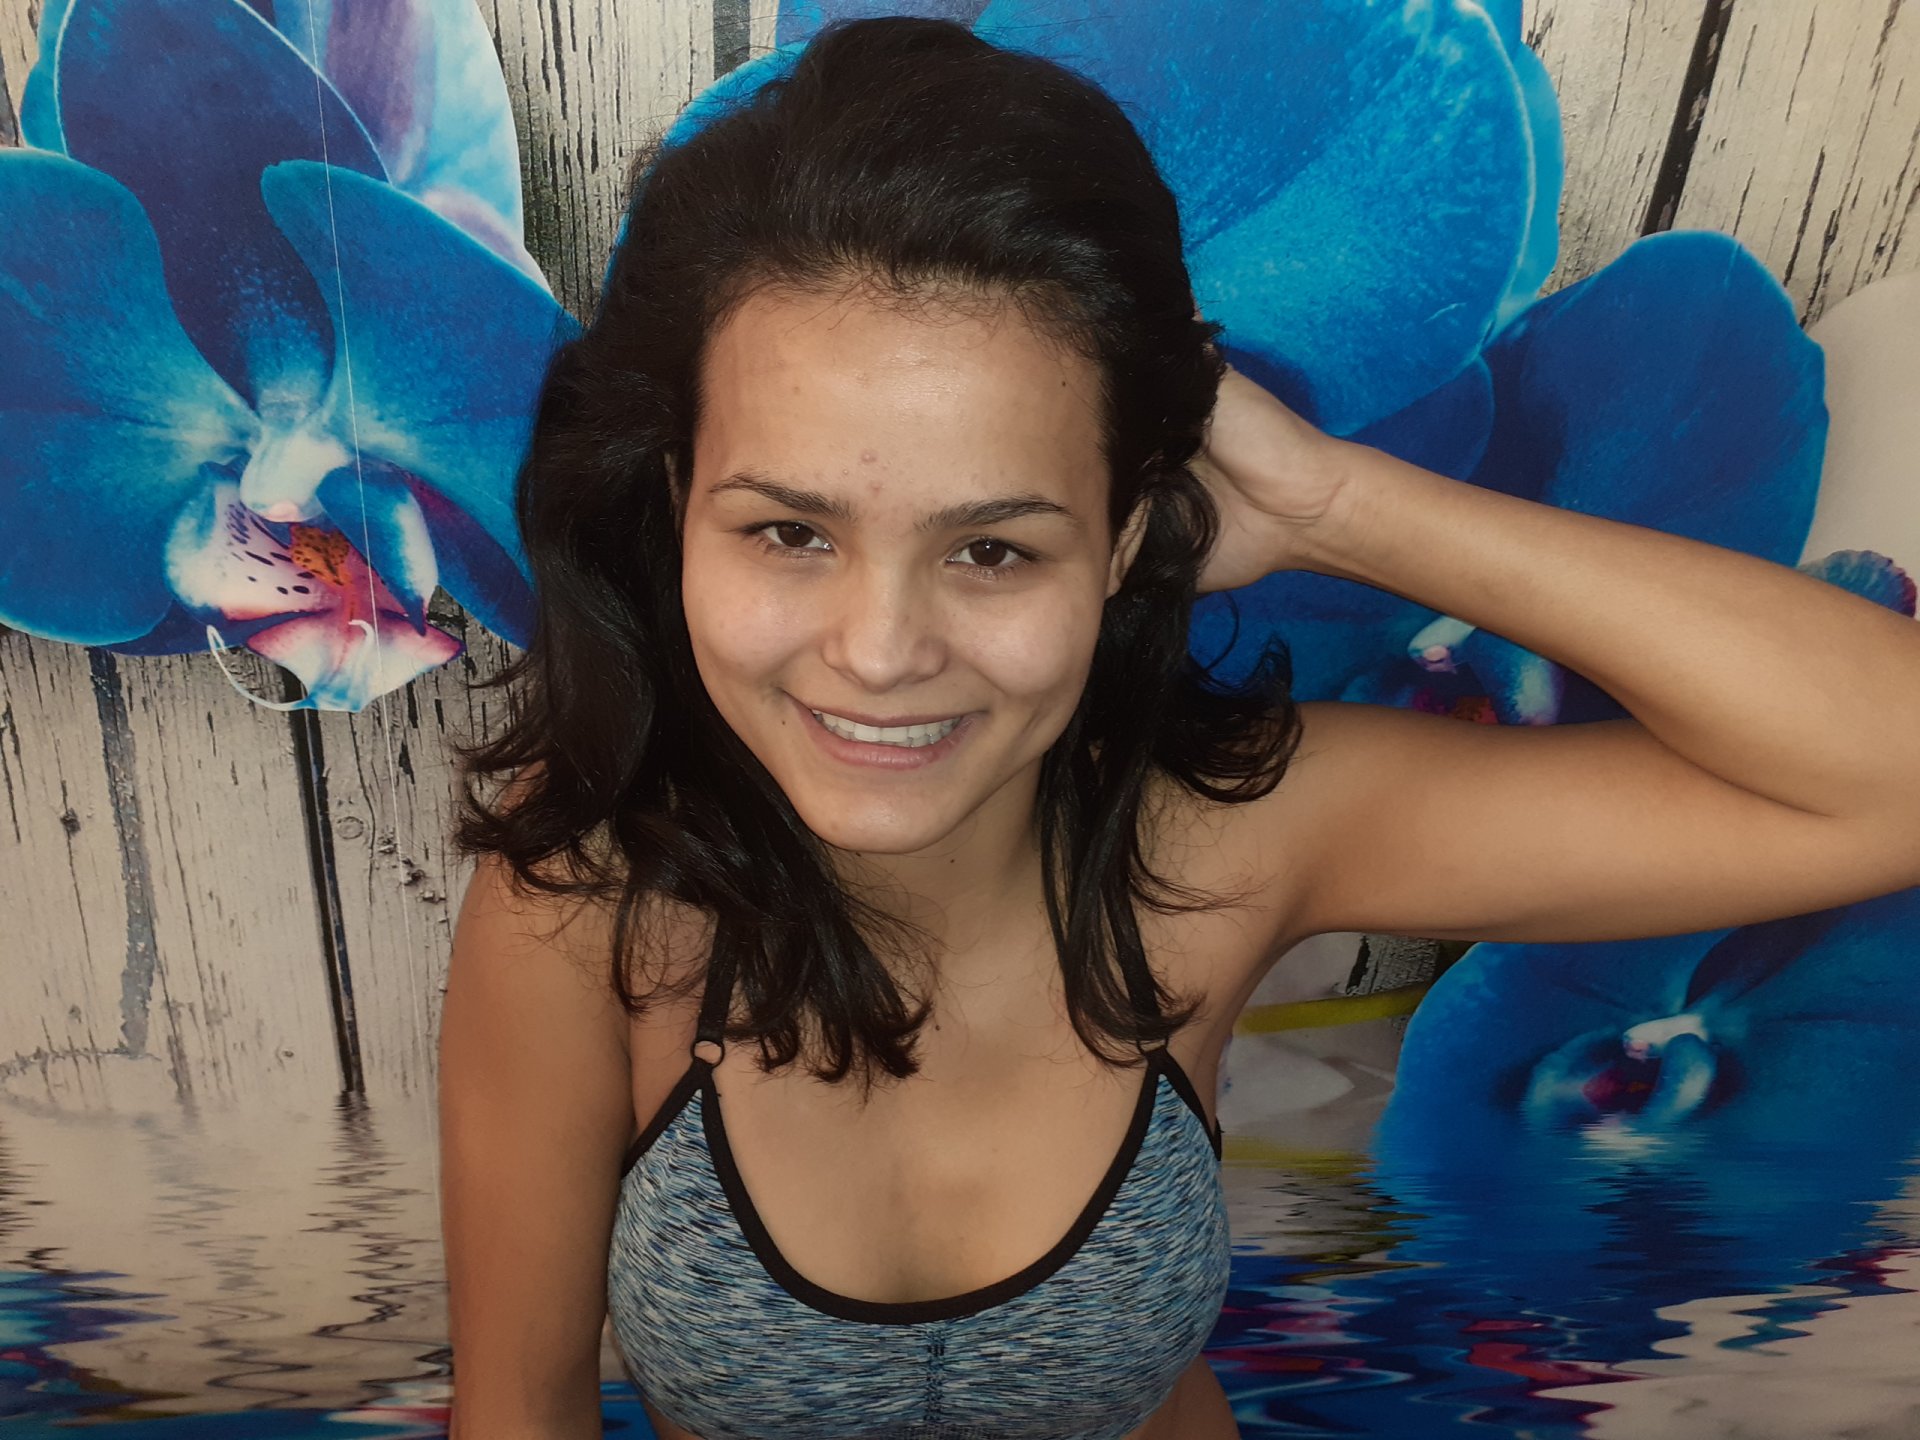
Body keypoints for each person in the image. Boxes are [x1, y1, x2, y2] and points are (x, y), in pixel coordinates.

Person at [434, 16, 1920, 1440]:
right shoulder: (587, 898)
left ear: (1128, 537)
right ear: (680, 504)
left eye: (993, 548)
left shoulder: (1224, 840)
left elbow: (1890, 781)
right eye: (789, 533)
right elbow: (520, 1411)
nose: (881, 653)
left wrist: (1337, 505)